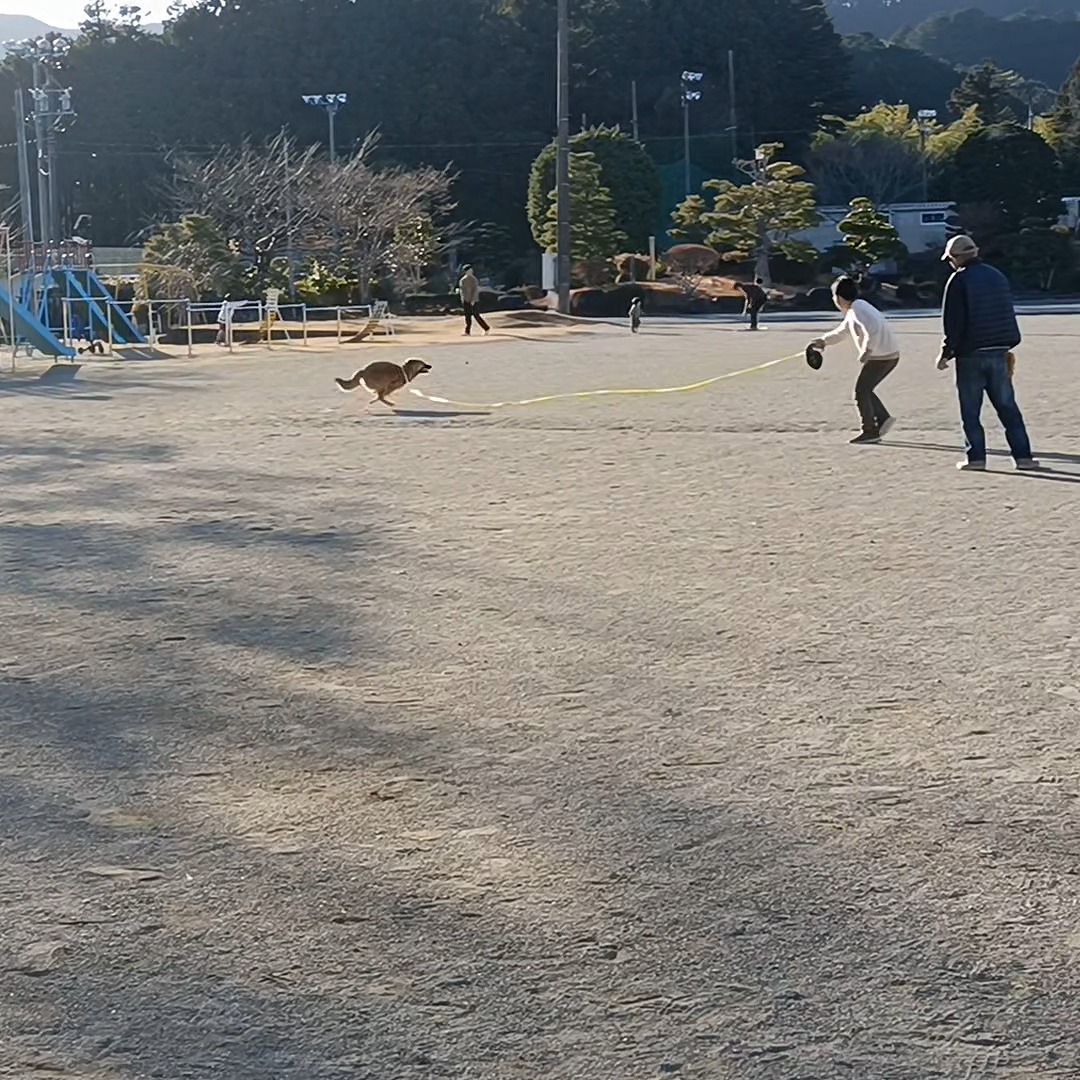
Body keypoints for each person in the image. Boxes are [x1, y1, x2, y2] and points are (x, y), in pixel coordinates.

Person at [936, 235, 1038, 472]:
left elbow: (954, 322)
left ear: (957, 257)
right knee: (1008, 407)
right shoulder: (997, 276)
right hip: (1000, 350)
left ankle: (976, 459)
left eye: (951, 258)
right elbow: (1005, 313)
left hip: (971, 354)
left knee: (970, 410)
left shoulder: (958, 280)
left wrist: (946, 352)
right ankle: (1023, 457)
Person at [809, 276, 900, 445]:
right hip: (887, 354)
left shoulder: (858, 310)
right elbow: (842, 331)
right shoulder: (857, 308)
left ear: (838, 297)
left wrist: (867, 350)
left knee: (861, 391)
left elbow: (872, 329)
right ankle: (883, 419)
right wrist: (823, 341)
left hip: (882, 356)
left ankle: (870, 431)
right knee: (866, 389)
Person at [458, 265, 489, 336]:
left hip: (474, 300)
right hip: (466, 300)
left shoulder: (474, 279)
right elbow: (462, 291)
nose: (471, 271)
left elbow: (475, 290)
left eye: (471, 270)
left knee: (476, 315)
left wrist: (473, 300)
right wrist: (463, 299)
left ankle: (486, 328)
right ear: (466, 272)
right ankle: (467, 331)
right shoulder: (462, 280)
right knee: (467, 316)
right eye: (469, 271)